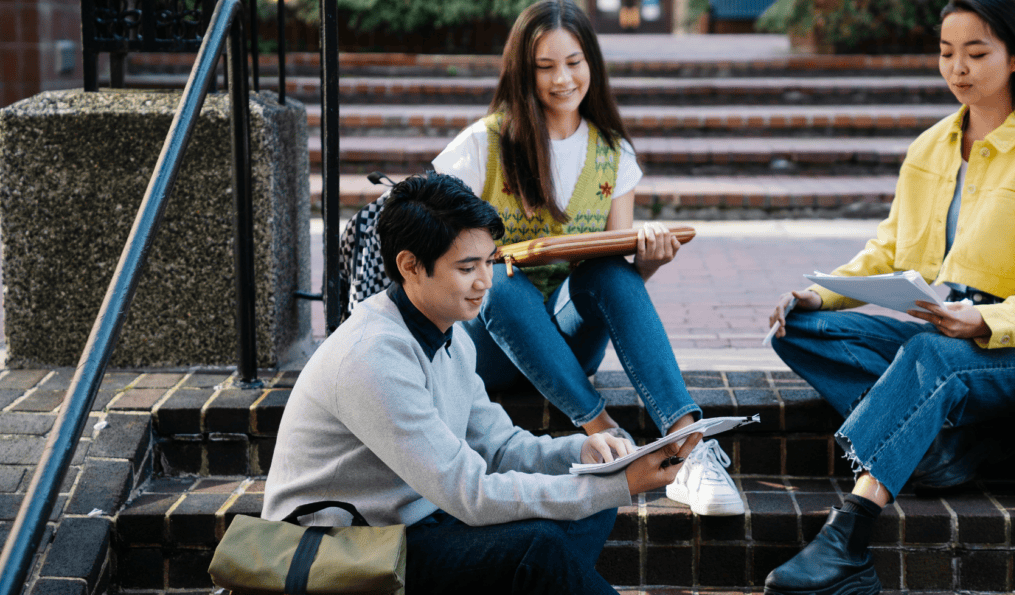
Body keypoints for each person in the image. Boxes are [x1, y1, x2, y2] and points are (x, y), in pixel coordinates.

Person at [761, 0, 1015, 595]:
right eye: (947, 53)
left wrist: (986, 324)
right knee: (800, 331)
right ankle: (939, 453)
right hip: (947, 321)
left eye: (976, 52)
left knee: (928, 358)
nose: (958, 69)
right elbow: (890, 250)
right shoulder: (931, 147)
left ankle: (850, 538)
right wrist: (822, 295)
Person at [262, 172, 702, 594]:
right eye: (467, 267)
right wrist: (619, 484)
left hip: (415, 522)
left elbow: (499, 447)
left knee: (585, 511)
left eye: (489, 262)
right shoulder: (372, 355)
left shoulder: (448, 334)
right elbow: (470, 492)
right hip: (343, 549)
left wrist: (584, 453)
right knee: (538, 548)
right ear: (410, 266)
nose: (485, 282)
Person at [432, 0, 744, 516]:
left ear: (591, 65)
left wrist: (650, 261)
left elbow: (613, 270)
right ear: (521, 72)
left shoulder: (613, 151)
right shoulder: (483, 146)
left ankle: (690, 448)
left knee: (609, 271)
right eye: (545, 67)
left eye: (574, 63)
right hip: (488, 344)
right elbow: (435, 244)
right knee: (500, 282)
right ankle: (609, 438)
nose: (562, 79)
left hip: (568, 345)